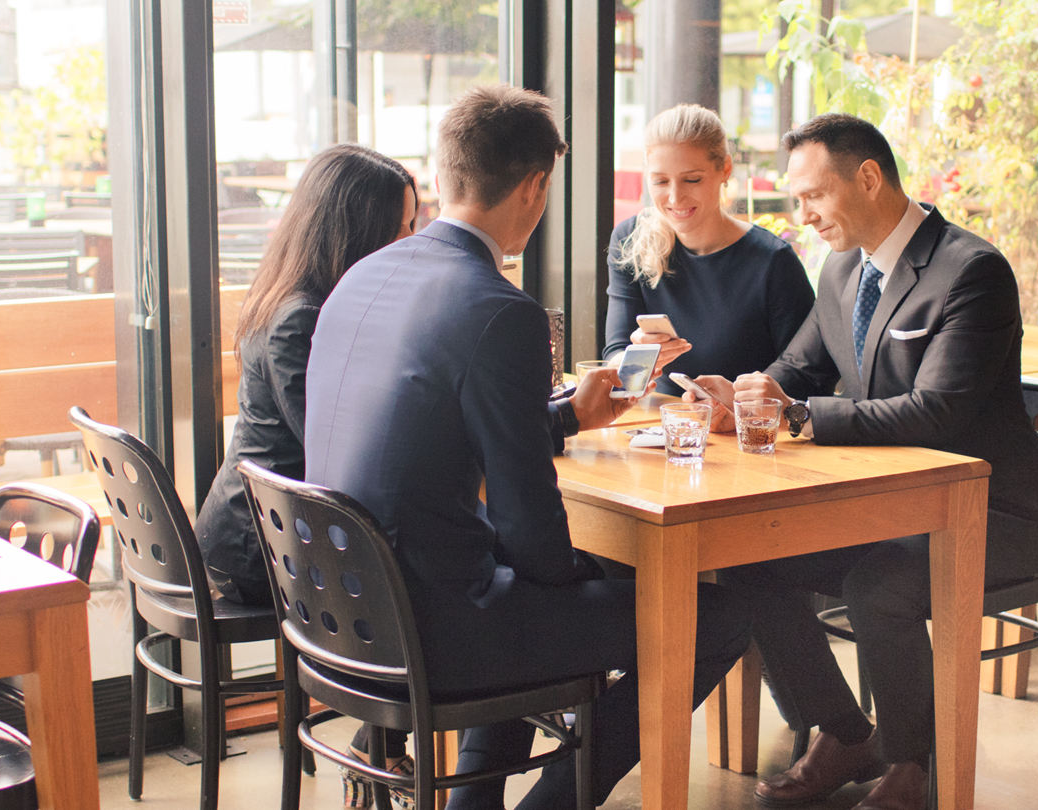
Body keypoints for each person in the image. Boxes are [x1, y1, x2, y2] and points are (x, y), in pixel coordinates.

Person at [302, 85, 750, 810]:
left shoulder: (362, 277)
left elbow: (439, 430)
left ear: (446, 173)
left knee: (526, 589)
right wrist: (574, 571)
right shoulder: (497, 309)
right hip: (432, 633)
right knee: (713, 617)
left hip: (339, 612)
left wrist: (569, 418)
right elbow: (529, 529)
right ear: (536, 186)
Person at [694, 114, 1038, 810]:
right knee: (750, 563)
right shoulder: (840, 268)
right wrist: (739, 399)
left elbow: (936, 411)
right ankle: (844, 730)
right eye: (797, 200)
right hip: (881, 509)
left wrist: (798, 416)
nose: (803, 215)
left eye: (813, 196)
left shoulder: (972, 271)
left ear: (867, 177)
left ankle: (911, 765)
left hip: (984, 517)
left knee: (875, 584)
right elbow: (796, 366)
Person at [193, 143, 420, 810]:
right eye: (404, 228)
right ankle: (382, 742)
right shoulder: (302, 315)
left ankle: (383, 742)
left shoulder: (297, 293)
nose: (413, 241)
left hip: (274, 527)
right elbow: (331, 440)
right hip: (258, 546)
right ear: (362, 231)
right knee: (422, 577)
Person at [604, 104, 814, 398]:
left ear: (725, 170)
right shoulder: (630, 240)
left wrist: (739, 402)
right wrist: (638, 360)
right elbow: (615, 356)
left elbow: (808, 375)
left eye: (692, 179)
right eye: (661, 181)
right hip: (658, 425)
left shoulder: (773, 261)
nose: (675, 197)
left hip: (745, 433)